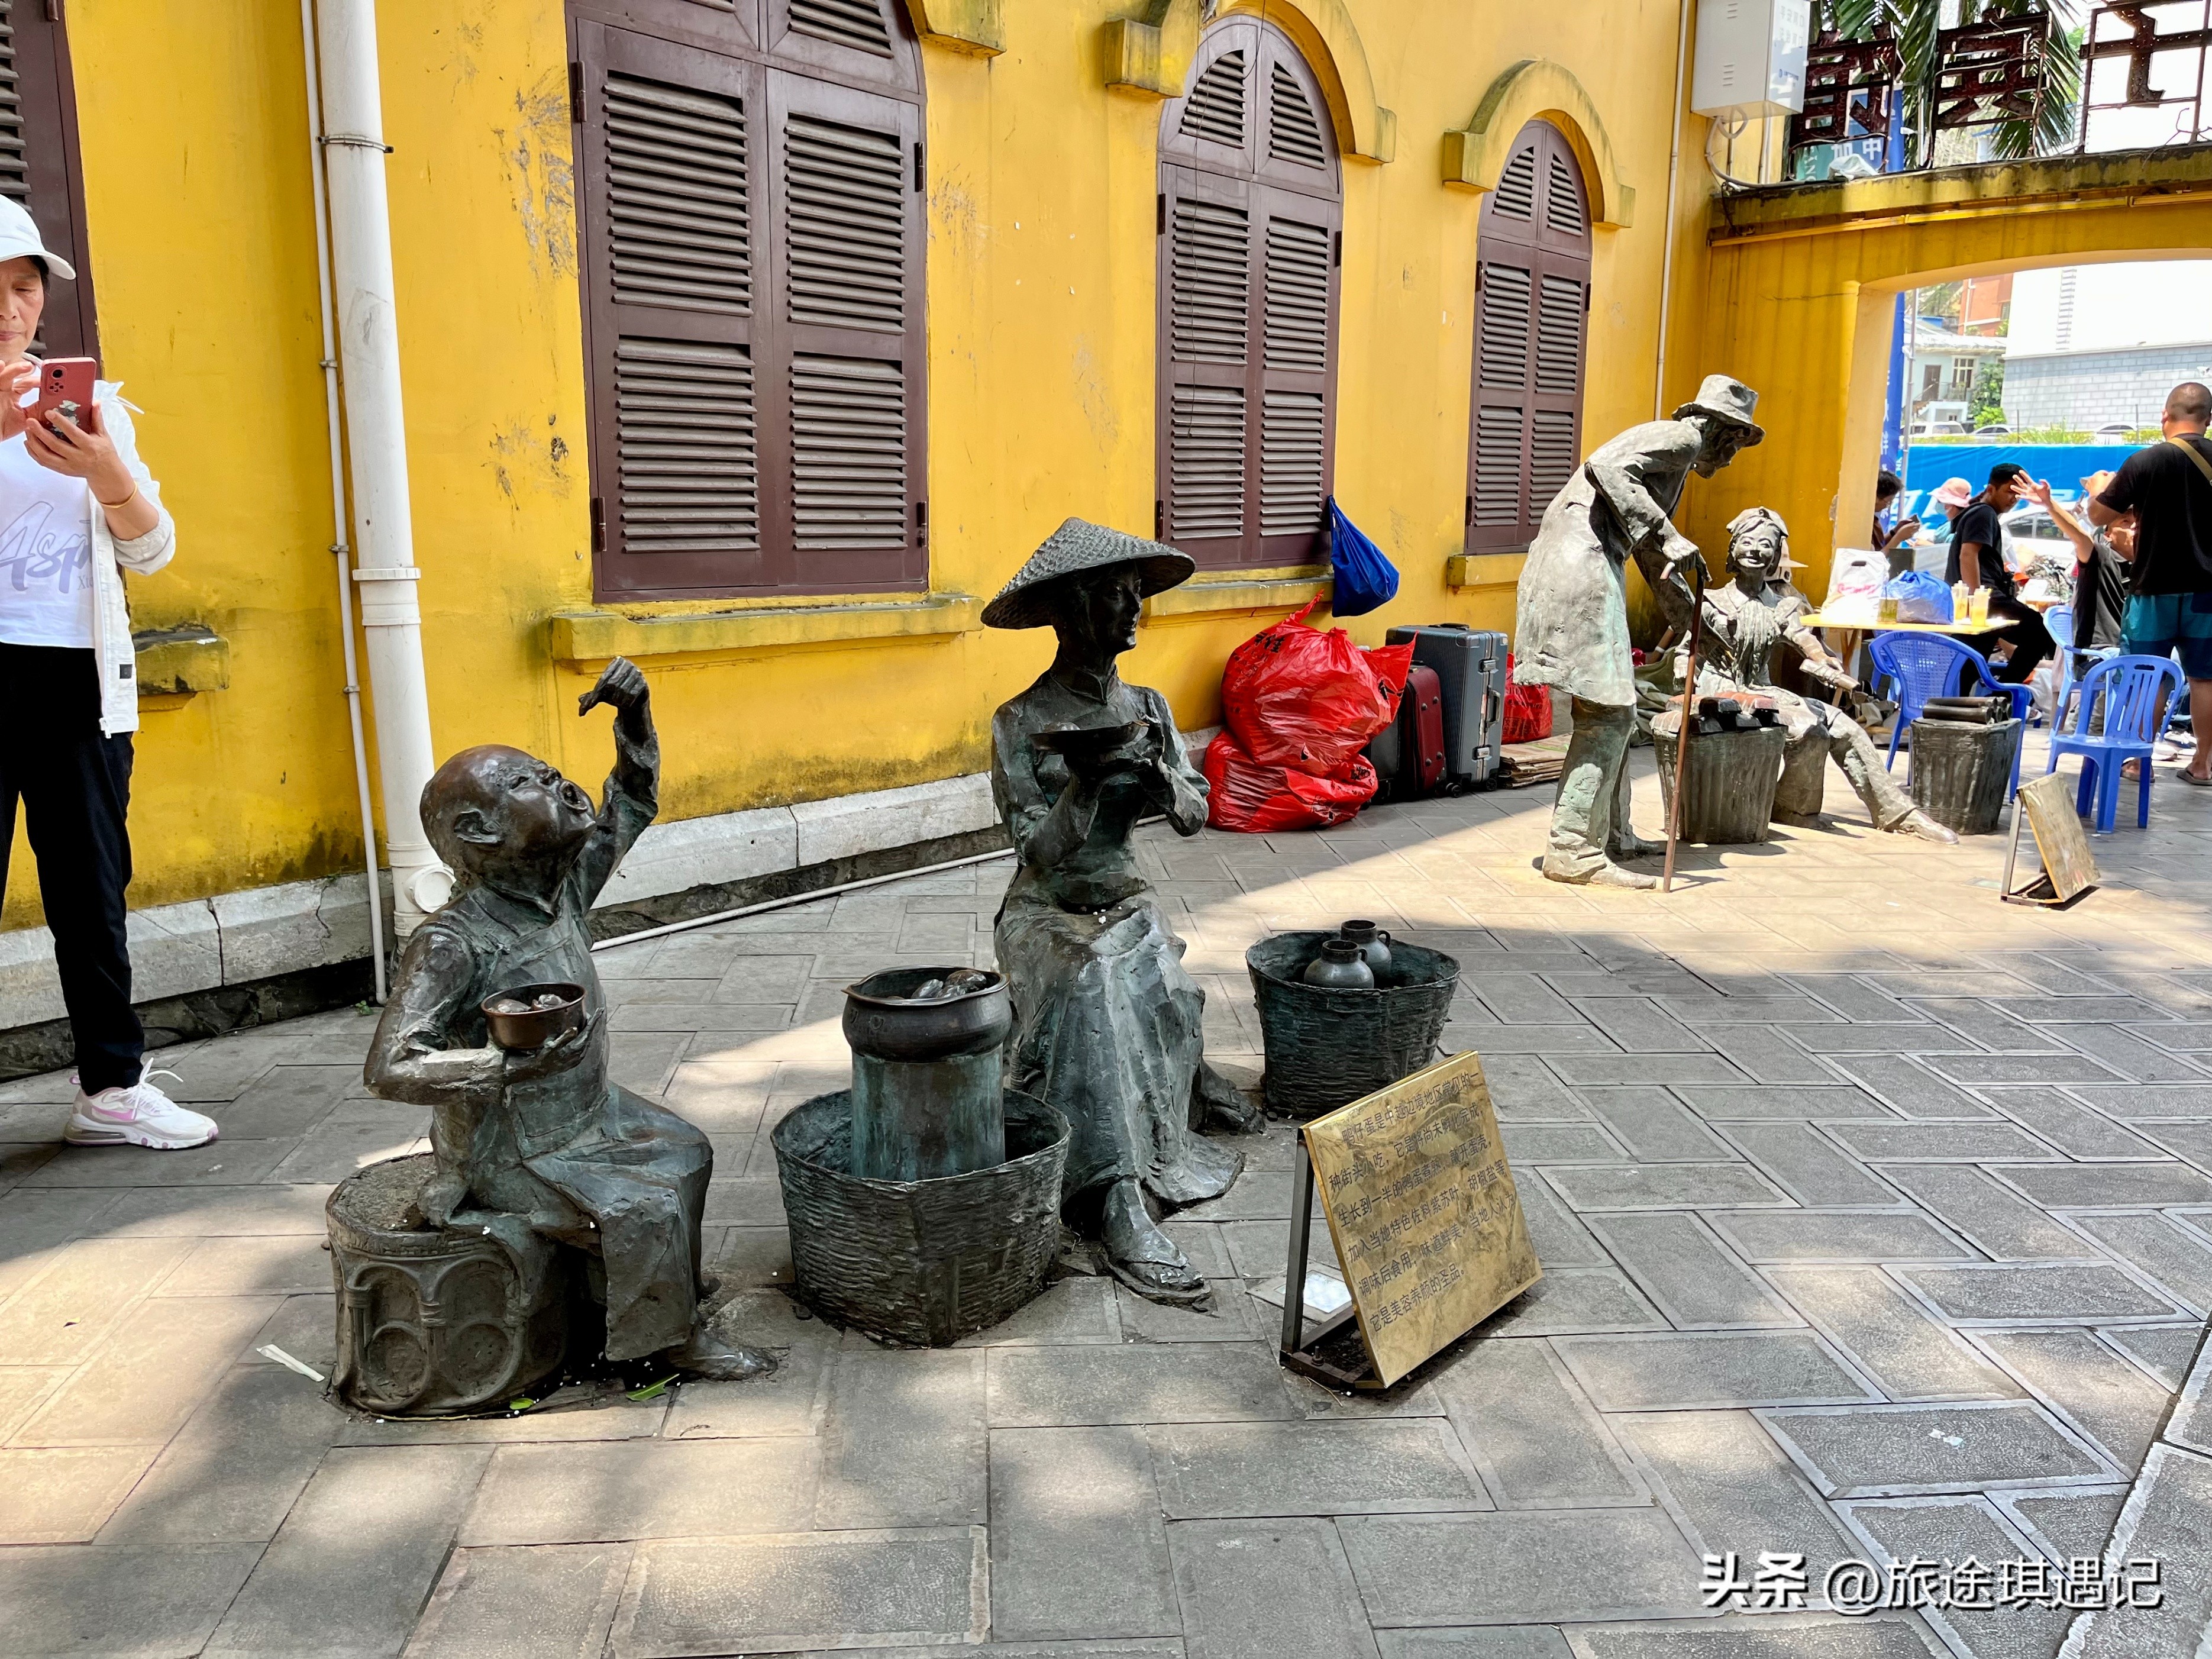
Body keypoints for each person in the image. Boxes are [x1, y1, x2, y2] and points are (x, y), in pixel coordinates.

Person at [363, 657, 769, 1380]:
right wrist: (505, 1065)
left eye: (547, 769)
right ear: (478, 833)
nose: (554, 780)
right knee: (643, 1204)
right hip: (511, 1146)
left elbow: (632, 804)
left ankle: (655, 1286)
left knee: (689, 1148)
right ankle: (663, 1340)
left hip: (587, 1112)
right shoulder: (454, 941)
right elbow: (392, 1064)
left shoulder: (563, 889)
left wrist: (635, 719)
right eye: (525, 783)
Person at [984, 518, 1252, 1304]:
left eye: (1137, 596)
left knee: (1157, 980)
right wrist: (1089, 782)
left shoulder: (1149, 705)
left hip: (1124, 904)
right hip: (1045, 915)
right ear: (1070, 610)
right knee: (1097, 989)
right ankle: (1118, 1200)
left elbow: (1196, 814)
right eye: (1114, 596)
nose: (1133, 611)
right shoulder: (1019, 720)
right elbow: (1036, 853)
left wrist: (1162, 777)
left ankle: (1182, 1086)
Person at [0, 198, 214, 1151]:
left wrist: (107, 474)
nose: (12, 307)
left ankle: (111, 1090)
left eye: (24, 286)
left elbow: (155, 550)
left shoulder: (96, 408)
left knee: (90, 885)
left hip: (75, 676)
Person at [1513, 373, 1761, 889]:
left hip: (1581, 564)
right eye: (1735, 438)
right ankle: (1573, 850)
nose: (1734, 452)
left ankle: (1611, 835)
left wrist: (1691, 621)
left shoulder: (1670, 467)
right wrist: (1671, 536)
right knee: (1609, 715)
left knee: (1618, 710)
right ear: (1712, 426)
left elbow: (1650, 552)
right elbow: (1604, 469)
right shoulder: (1680, 437)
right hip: (1577, 567)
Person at [1686, 508, 1955, 843]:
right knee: (1809, 731)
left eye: (1766, 544)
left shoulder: (1781, 605)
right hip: (1719, 690)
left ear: (1774, 558)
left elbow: (1802, 638)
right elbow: (1686, 651)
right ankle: (1797, 810)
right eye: (1747, 541)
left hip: (1761, 690)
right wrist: (1685, 693)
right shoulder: (1712, 601)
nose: (1756, 550)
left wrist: (1823, 659)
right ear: (1732, 550)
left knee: (1845, 726)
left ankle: (1897, 813)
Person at [2090, 380, 2212, 785]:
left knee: (2148, 673)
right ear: (2207, 420)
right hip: (2206, 593)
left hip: (2152, 586)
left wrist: (2097, 489)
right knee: (2203, 678)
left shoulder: (2143, 462)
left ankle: (2139, 761)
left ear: (2165, 417)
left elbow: (2096, 516)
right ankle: (2201, 764)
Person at [1948, 461, 2053, 686]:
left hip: (1980, 599)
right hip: (1987, 600)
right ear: (1991, 489)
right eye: (2009, 492)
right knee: (2040, 634)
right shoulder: (1983, 513)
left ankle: (1974, 706)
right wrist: (1976, 601)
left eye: (2017, 495)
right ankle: (2002, 695)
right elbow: (1968, 555)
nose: (2013, 499)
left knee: (1971, 664)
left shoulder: (1979, 513)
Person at [1874, 470, 1920, 570]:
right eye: (1888, 502)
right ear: (1876, 498)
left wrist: (1895, 532)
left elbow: (1879, 544)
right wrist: (1899, 537)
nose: (1888, 506)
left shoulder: (1874, 521)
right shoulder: (1865, 523)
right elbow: (1875, 560)